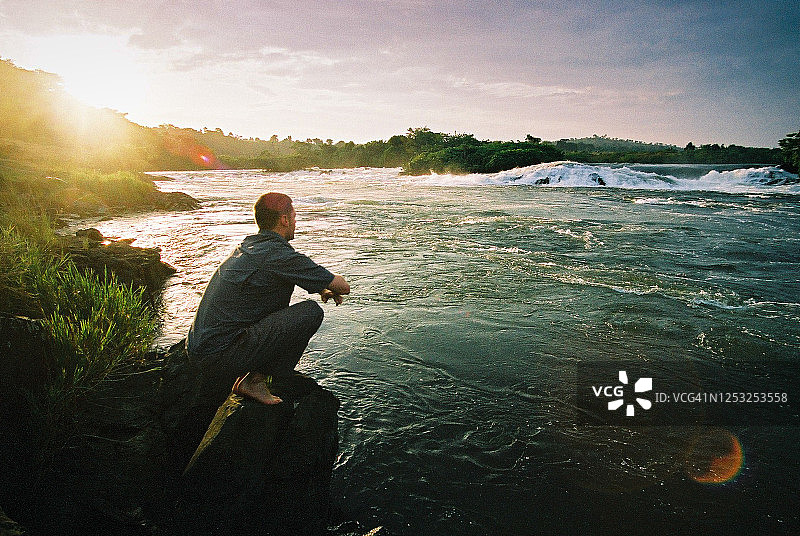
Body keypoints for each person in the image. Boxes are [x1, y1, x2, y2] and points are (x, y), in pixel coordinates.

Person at [186, 192, 350, 406]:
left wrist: (320, 288)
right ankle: (255, 381)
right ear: (284, 219)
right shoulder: (278, 254)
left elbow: (282, 274)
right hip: (219, 356)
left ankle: (252, 376)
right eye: (294, 217)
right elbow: (343, 287)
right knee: (311, 312)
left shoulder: (249, 246)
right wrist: (328, 284)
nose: (296, 223)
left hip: (198, 349)